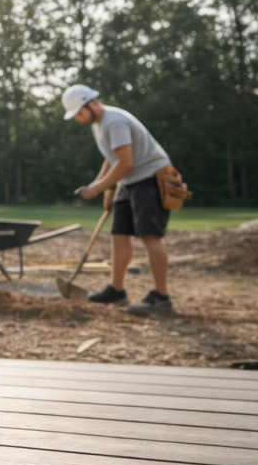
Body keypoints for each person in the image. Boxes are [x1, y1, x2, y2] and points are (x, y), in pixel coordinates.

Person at [62, 85, 174, 316]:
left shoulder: (114, 121)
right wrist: (103, 187)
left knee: (150, 236)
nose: (78, 120)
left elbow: (125, 162)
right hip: (130, 182)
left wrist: (95, 189)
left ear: (89, 104)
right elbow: (111, 158)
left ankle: (161, 297)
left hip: (151, 179)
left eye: (78, 114)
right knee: (119, 234)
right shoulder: (99, 124)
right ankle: (116, 289)